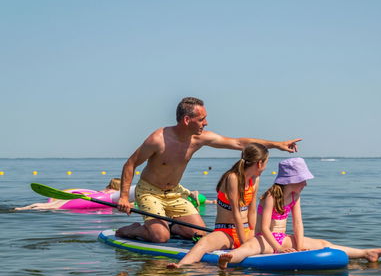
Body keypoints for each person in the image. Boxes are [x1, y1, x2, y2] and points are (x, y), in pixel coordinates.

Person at [115, 97, 300, 243]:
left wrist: (277, 144)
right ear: (187, 120)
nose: (206, 123)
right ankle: (134, 229)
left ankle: (172, 226)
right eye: (202, 119)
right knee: (160, 237)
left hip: (174, 193)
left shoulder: (199, 139)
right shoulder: (158, 140)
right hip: (150, 192)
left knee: (199, 234)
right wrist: (124, 197)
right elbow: (130, 164)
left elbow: (238, 143)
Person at [218, 158, 381, 269]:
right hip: (265, 238)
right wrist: (278, 249)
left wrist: (299, 246)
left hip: (283, 237)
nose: (305, 184)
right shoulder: (271, 195)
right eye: (302, 180)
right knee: (248, 249)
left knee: (323, 243)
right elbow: (263, 228)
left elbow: (298, 223)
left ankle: (366, 253)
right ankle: (229, 259)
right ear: (291, 180)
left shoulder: (295, 195)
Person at [166, 143, 269, 268]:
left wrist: (255, 233)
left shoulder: (255, 180)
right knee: (203, 243)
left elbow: (251, 212)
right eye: (266, 163)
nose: (265, 167)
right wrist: (244, 244)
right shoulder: (233, 178)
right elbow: (236, 214)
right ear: (259, 163)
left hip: (247, 230)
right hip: (226, 232)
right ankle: (180, 265)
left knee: (271, 236)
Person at [14, 178, 131, 211]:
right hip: (81, 201)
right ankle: (24, 209)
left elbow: (95, 194)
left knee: (47, 205)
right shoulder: (114, 194)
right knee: (51, 208)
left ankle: (24, 207)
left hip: (76, 198)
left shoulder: (102, 191)